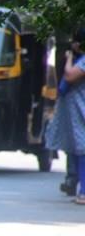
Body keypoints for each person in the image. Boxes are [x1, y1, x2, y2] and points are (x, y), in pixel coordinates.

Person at [45, 27, 85, 203]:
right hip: (75, 110)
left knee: (82, 150)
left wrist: (68, 58)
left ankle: (84, 191)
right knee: (76, 149)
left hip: (81, 110)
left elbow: (69, 76)